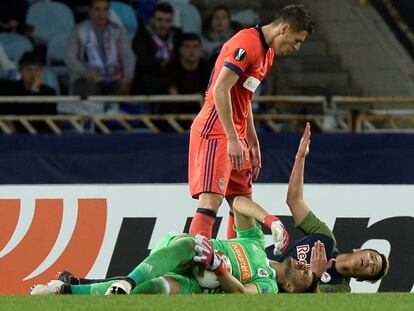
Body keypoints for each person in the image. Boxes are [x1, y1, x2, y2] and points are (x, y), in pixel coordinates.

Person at [188, 5, 315, 242]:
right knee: (211, 199)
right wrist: (233, 139)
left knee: (241, 200)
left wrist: (251, 139)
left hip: (235, 132)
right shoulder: (247, 44)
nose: (296, 47)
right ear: (284, 28)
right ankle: (195, 262)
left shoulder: (267, 54)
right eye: (296, 40)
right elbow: (221, 89)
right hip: (215, 128)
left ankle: (236, 261)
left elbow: (244, 97)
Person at [30, 197, 324, 295]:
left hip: (199, 281)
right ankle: (128, 283)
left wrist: (220, 268)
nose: (305, 266)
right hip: (186, 250)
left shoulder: (269, 285)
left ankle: (65, 290)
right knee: (187, 244)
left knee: (159, 287)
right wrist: (271, 220)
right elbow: (238, 204)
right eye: (309, 267)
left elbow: (243, 295)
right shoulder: (257, 242)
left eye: (307, 275)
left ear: (290, 288)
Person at [233, 122, 390, 292]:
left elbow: (310, 304)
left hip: (265, 288)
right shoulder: (325, 238)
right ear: (359, 249)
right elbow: (294, 201)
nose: (370, 262)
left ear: (360, 278)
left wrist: (315, 275)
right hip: (254, 261)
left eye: (372, 269)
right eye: (372, 256)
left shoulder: (341, 289)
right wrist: (300, 157)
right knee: (239, 206)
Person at [64, 0, 135, 98]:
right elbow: (69, 57)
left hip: (113, 77)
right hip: (86, 78)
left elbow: (129, 56)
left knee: (127, 86)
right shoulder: (79, 30)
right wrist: (84, 72)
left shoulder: (118, 31)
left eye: (105, 10)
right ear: (90, 12)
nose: (101, 14)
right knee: (89, 87)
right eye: (97, 9)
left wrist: (128, 76)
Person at [131, 2, 181, 95]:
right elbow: (144, 63)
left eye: (167, 20)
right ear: (152, 20)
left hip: (174, 81)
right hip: (147, 85)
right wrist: (163, 63)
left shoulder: (177, 35)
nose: (163, 24)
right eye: (159, 20)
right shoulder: (142, 36)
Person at [0, 51, 56, 133]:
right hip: (11, 135)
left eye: (37, 70)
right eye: (28, 69)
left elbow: (46, 120)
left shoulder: (49, 92)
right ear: (21, 71)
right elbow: (4, 114)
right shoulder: (8, 88)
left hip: (39, 136)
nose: (33, 74)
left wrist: (35, 90)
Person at [157, 32, 210, 114]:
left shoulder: (208, 69)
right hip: (176, 115)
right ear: (180, 49)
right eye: (187, 46)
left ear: (201, 50)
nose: (192, 51)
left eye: (195, 46)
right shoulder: (169, 69)